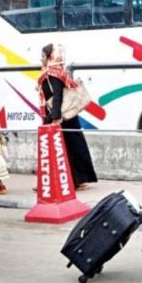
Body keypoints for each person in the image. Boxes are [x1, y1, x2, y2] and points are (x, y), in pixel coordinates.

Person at [38, 43, 97, 190]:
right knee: (73, 147)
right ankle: (77, 179)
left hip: (59, 115)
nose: (41, 59)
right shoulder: (59, 72)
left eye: (43, 56)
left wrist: (55, 117)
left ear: (50, 57)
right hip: (68, 115)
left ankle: (66, 182)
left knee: (56, 149)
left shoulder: (51, 74)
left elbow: (57, 95)